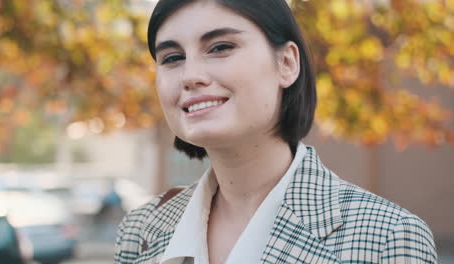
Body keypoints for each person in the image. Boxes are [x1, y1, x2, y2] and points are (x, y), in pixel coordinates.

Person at [115, 0, 437, 263]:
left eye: (220, 47)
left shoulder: (388, 238)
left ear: (286, 64)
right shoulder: (140, 232)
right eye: (172, 58)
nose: (190, 75)